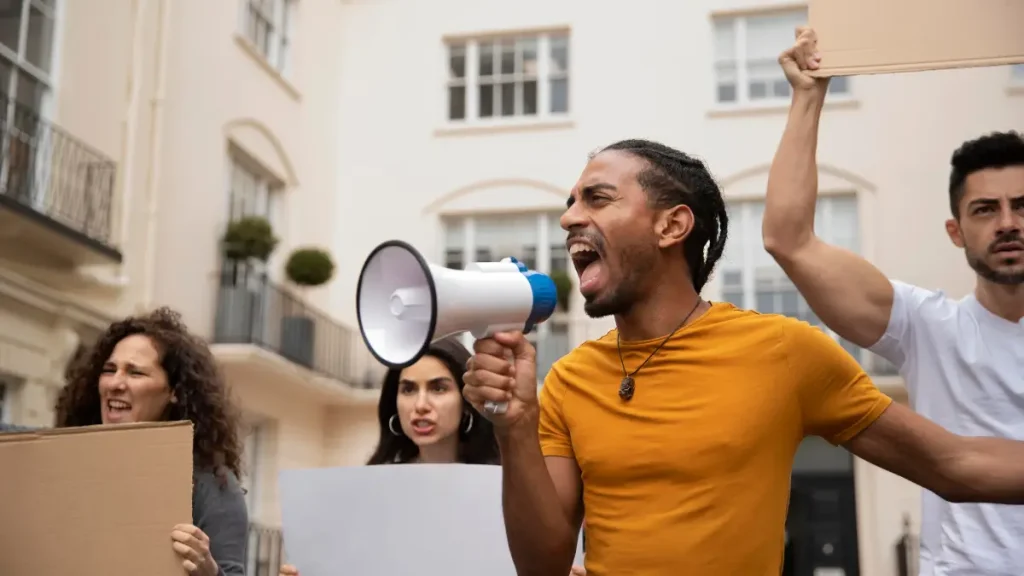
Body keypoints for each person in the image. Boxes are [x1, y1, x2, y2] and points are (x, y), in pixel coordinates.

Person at [462, 137, 1024, 575]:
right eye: (570, 203)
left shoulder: (783, 352)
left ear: (672, 225)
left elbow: (955, 466)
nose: (569, 218)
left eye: (597, 199)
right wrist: (515, 427)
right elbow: (542, 566)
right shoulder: (568, 380)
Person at [762, 27, 1024, 575]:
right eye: (985, 209)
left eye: (1021, 206)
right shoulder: (929, 327)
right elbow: (790, 240)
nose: (1007, 224)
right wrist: (809, 95)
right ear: (956, 231)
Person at [277, 338, 586, 575]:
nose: (420, 405)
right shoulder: (365, 496)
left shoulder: (512, 489)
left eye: (438, 388)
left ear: (467, 401)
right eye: (408, 390)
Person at [41, 307, 248, 576]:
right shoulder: (65, 461)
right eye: (109, 369)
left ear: (175, 391)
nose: (115, 383)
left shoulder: (212, 485)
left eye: (135, 373)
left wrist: (209, 571)